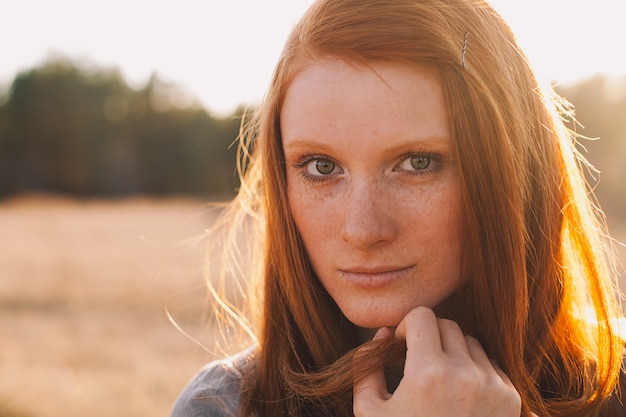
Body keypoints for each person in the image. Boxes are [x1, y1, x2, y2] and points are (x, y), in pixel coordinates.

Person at [171, 0, 625, 416]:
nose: (362, 229)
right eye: (322, 166)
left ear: (516, 170)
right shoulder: (226, 407)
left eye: (418, 162)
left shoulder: (614, 386)